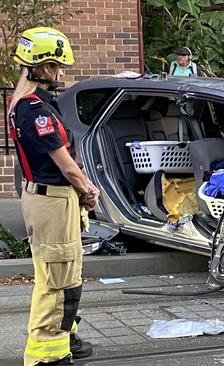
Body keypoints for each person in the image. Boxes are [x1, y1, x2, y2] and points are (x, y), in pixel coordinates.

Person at [9, 27, 100, 366]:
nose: (61, 73)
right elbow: (67, 167)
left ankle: (66, 335)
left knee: (64, 274)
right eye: (57, 66)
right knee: (57, 280)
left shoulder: (26, 105)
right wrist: (89, 191)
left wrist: (82, 189)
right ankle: (48, 355)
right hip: (52, 200)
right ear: (43, 67)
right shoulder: (35, 111)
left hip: (51, 199)